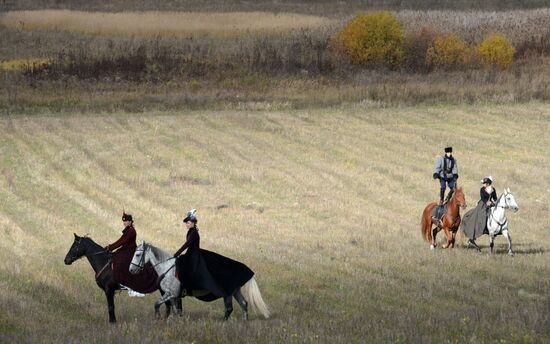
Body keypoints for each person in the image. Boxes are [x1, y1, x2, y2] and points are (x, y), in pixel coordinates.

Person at [174, 209, 254, 302]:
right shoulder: (190, 232)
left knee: (187, 268)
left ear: (193, 223)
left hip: (195, 256)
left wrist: (177, 253)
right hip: (191, 254)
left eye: (188, 222)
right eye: (186, 223)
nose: (186, 224)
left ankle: (185, 288)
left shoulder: (194, 233)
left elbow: (186, 245)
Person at [104, 212, 158, 293]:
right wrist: (110, 247)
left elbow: (122, 241)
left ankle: (123, 282)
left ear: (130, 221)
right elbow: (120, 241)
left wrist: (111, 247)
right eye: (124, 221)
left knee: (120, 262)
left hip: (130, 251)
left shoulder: (131, 231)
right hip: (124, 250)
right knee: (115, 257)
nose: (124, 223)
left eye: (126, 221)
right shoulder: (127, 230)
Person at [461, 176, 498, 250]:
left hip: (491, 205)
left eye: (484, 183)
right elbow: (483, 197)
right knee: (482, 215)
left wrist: (493, 201)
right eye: (483, 183)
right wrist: (487, 202)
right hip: (482, 205)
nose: (483, 184)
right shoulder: (482, 189)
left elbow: (495, 197)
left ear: (488, 183)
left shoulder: (493, 189)